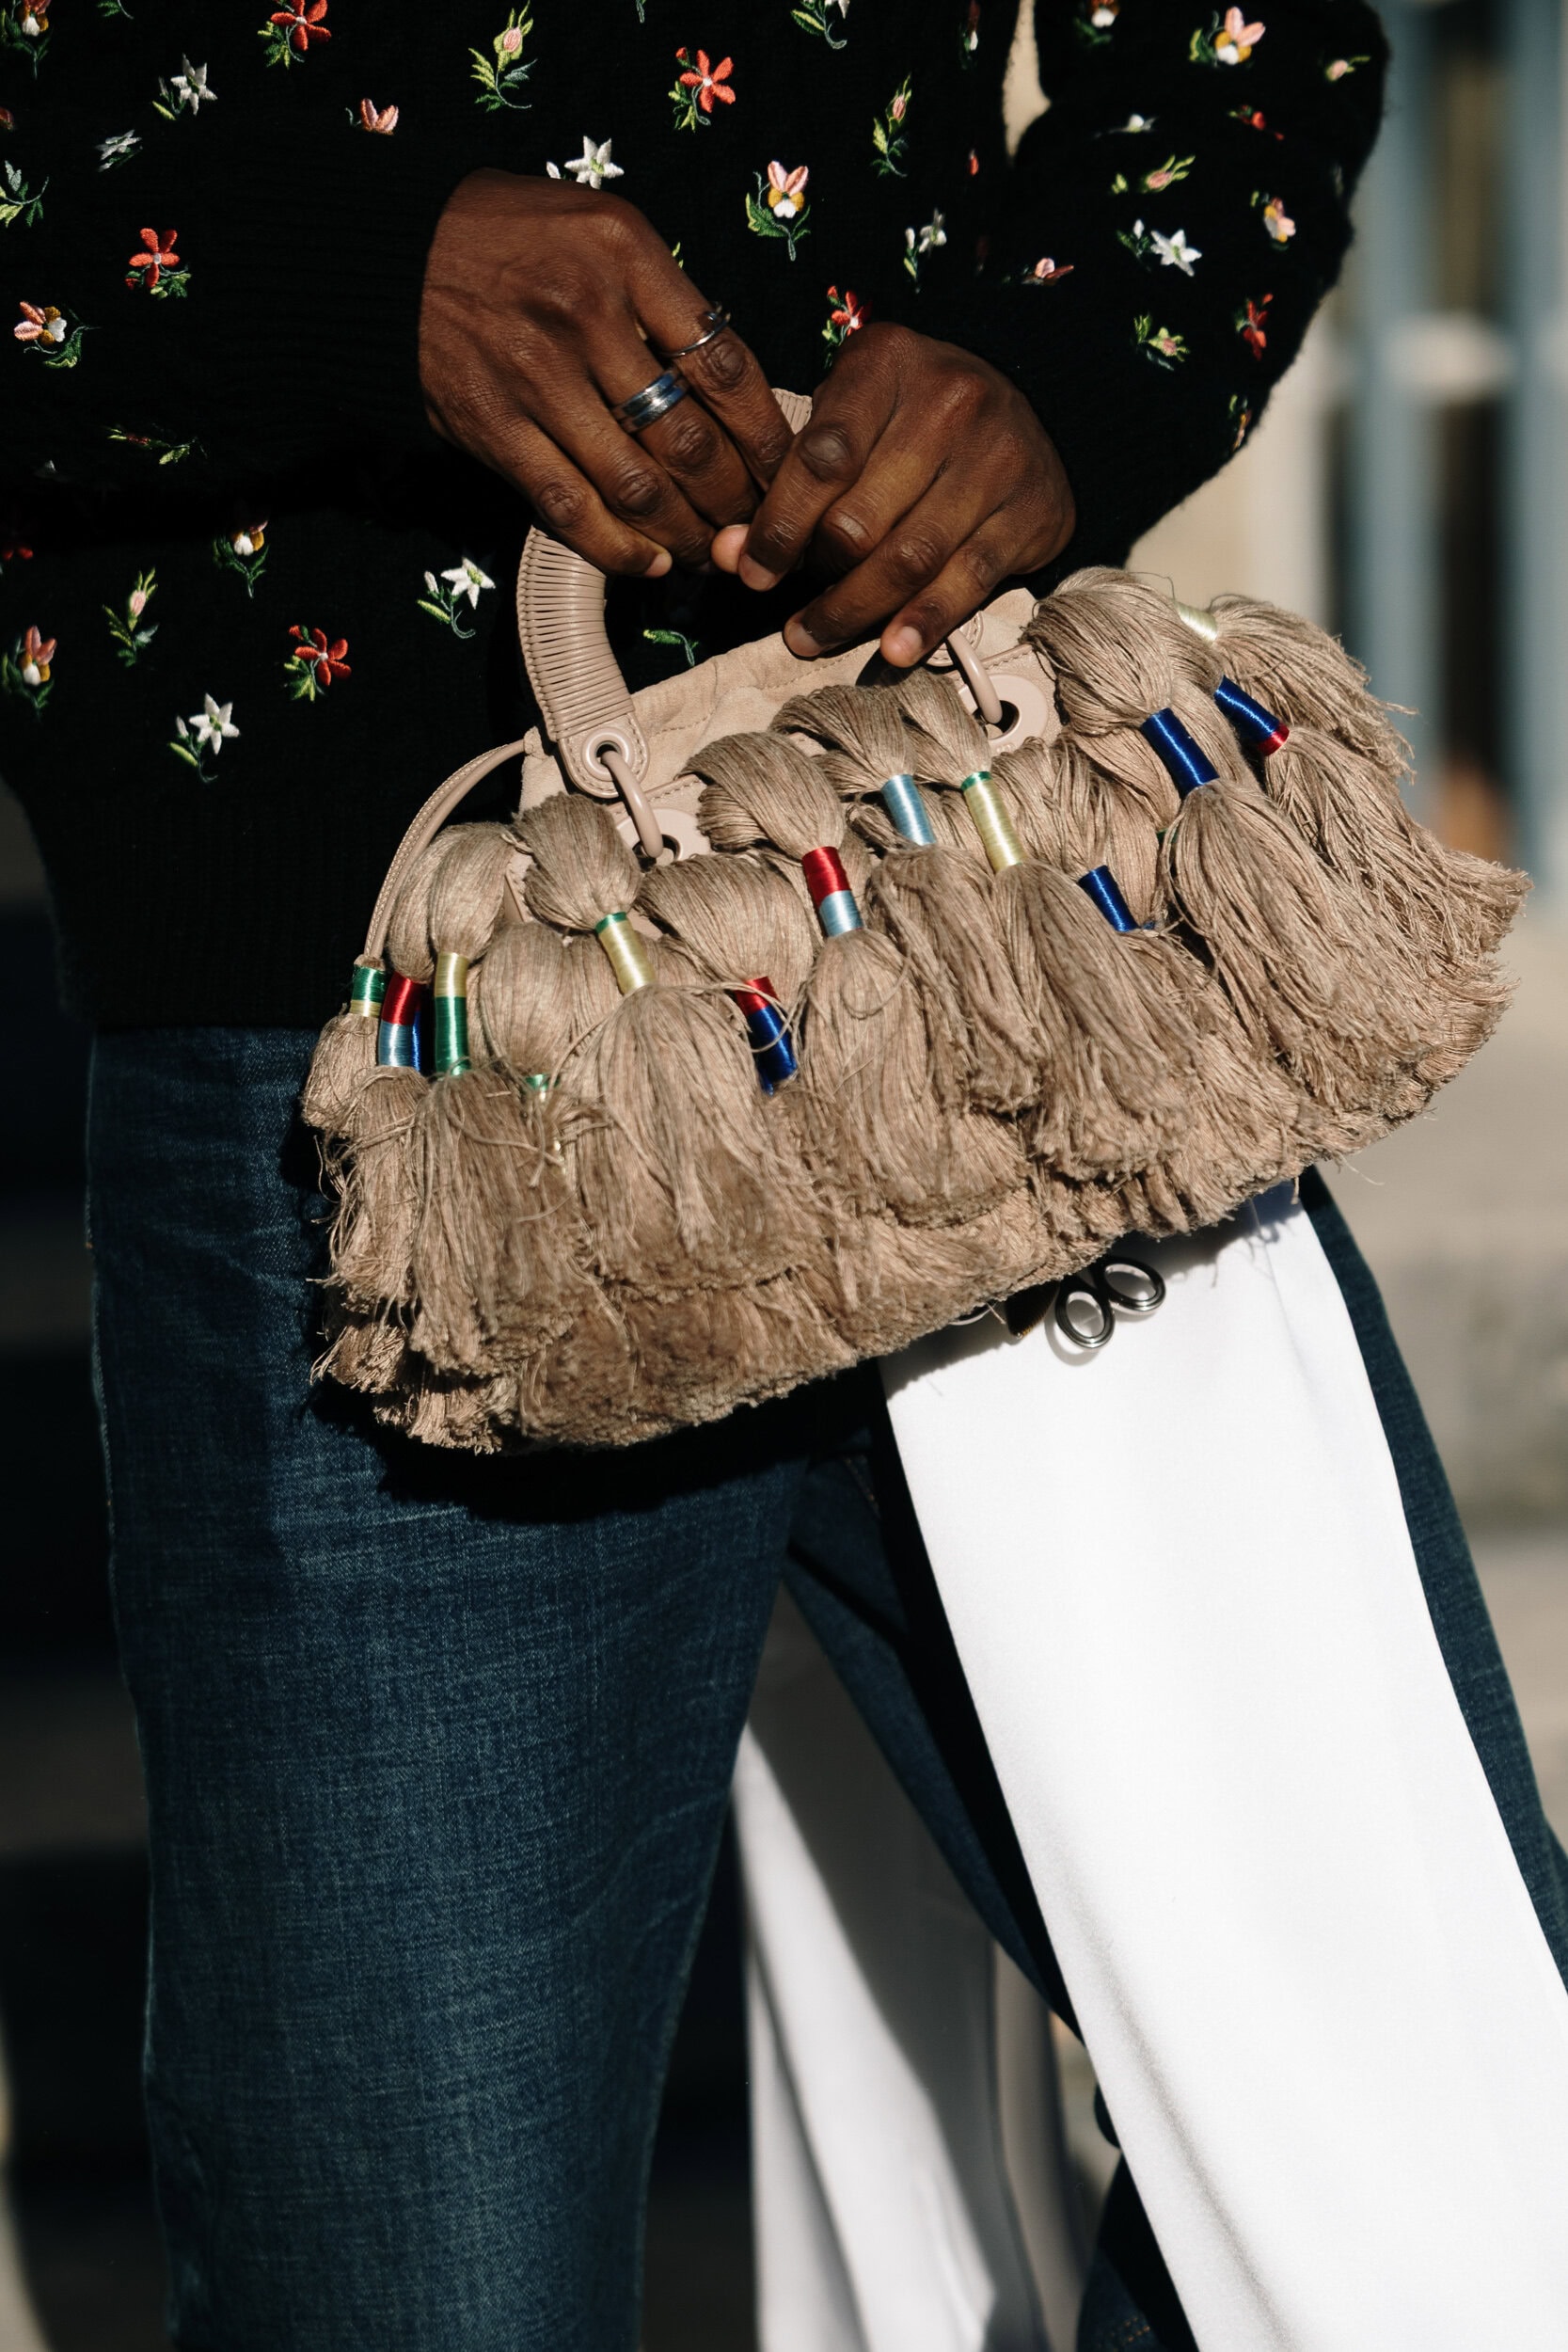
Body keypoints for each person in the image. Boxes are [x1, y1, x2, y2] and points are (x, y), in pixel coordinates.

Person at [8, 4, 1512, 2345]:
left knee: (1427, 2164)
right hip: (395, 1069)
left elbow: (1250, 43)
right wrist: (352, 271)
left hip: (981, 911)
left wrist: (1053, 372)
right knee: (414, 2291)